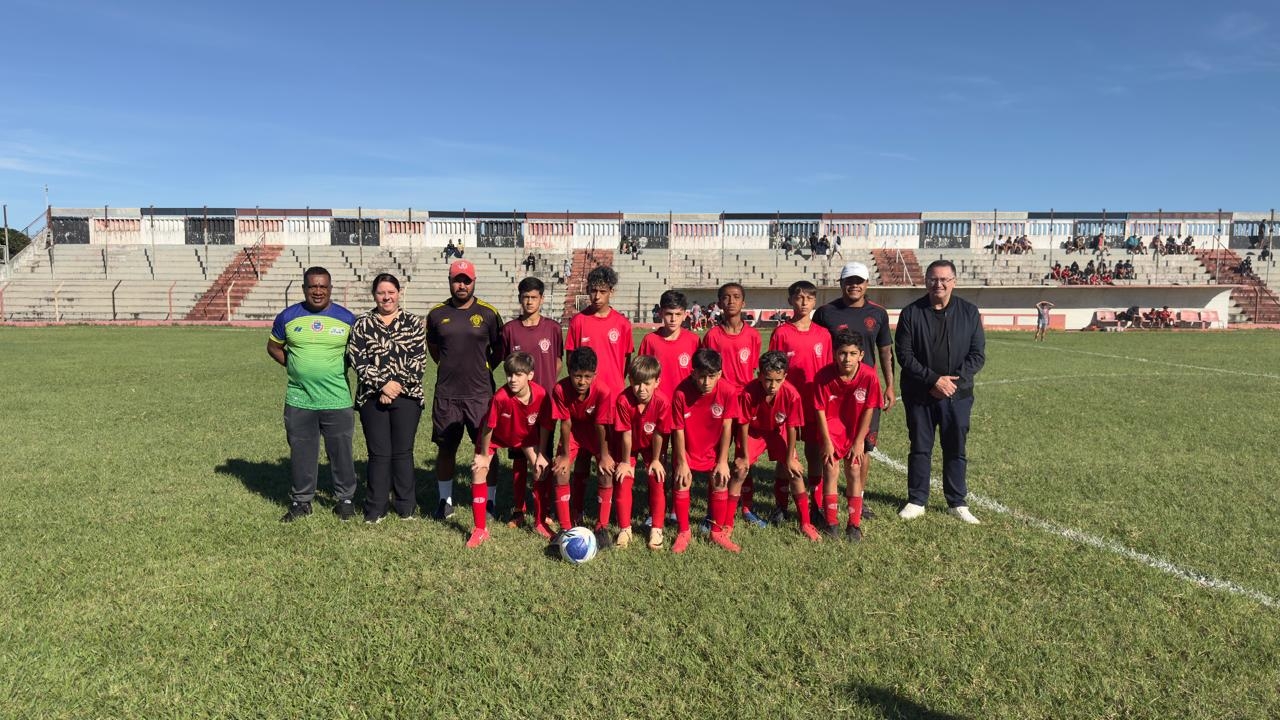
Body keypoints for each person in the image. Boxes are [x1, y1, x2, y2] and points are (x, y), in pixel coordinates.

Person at [895, 260, 986, 524]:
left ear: (954, 282)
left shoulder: (969, 312)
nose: (939, 284)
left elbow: (977, 355)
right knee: (920, 447)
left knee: (955, 447)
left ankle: (957, 502)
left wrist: (950, 384)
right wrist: (933, 381)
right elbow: (905, 355)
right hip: (919, 394)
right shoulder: (911, 313)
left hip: (957, 395)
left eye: (945, 279)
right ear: (926, 281)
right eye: (934, 279)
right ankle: (917, 500)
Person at [268, 266, 359, 522]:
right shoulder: (287, 317)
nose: (317, 291)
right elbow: (273, 347)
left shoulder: (347, 319)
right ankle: (301, 501)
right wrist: (294, 366)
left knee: (341, 452)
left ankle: (345, 500)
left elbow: (357, 354)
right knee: (302, 452)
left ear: (330, 289)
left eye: (322, 286)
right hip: (300, 399)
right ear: (304, 288)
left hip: (337, 399)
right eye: (312, 286)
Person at [812, 261, 895, 524]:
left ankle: (858, 497)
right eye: (849, 281)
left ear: (867, 284)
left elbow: (885, 351)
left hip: (865, 392)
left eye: (859, 281)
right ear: (841, 284)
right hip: (833, 391)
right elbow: (816, 347)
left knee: (863, 448)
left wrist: (890, 385)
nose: (854, 285)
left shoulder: (878, 313)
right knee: (829, 448)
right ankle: (826, 499)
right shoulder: (826, 312)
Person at [425, 259, 504, 521]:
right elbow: (435, 349)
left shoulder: (489, 313)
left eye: (466, 281)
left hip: (480, 395)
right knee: (446, 448)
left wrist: (482, 368)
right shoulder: (436, 314)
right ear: (449, 281)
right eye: (457, 280)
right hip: (447, 395)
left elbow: (499, 349)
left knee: (486, 450)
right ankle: (444, 501)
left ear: (474, 282)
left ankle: (489, 501)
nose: (462, 285)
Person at [347, 273, 426, 523]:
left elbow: (418, 361)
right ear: (374, 295)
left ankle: (405, 506)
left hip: (407, 395)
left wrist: (395, 386)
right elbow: (357, 359)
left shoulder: (413, 323)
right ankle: (375, 508)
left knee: (403, 452)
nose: (386, 297)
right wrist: (382, 385)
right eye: (381, 293)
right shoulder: (362, 324)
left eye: (391, 292)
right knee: (379, 453)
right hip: (372, 397)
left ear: (399, 293)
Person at [467, 352, 552, 547]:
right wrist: (484, 455)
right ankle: (480, 529)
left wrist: (541, 454)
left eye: (518, 375)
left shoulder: (541, 394)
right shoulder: (500, 397)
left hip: (525, 436)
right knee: (479, 470)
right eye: (509, 374)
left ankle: (540, 522)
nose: (512, 379)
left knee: (541, 469)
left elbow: (546, 425)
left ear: (530, 375)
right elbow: (488, 427)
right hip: (494, 438)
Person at [766, 280, 831, 526]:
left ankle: (816, 506)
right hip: (787, 405)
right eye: (799, 297)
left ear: (815, 302)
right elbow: (772, 369)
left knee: (814, 454)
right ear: (790, 300)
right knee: (786, 455)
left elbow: (827, 371)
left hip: (814, 404)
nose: (804, 302)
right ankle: (781, 506)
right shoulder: (781, 333)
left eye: (809, 298)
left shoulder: (823, 334)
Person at [700, 282, 764, 525]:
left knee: (743, 457)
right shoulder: (712, 336)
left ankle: (746, 507)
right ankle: (712, 509)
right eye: (726, 297)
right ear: (719, 303)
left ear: (743, 302)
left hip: (745, 404)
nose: (731, 301)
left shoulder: (753, 336)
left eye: (736, 297)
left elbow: (753, 369)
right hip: (720, 404)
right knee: (717, 457)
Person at [735, 351, 816, 541]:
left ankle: (805, 523)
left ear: (785, 376)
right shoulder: (748, 392)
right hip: (754, 432)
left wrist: (790, 457)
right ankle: (744, 510)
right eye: (768, 380)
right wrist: (744, 455)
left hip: (778, 431)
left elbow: (792, 427)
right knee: (741, 469)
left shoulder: (792, 394)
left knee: (794, 472)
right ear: (759, 375)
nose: (772, 385)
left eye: (778, 380)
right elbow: (744, 424)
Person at [811, 331, 882, 541]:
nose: (847, 358)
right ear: (835, 354)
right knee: (830, 470)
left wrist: (859, 441)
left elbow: (869, 408)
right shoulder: (823, 376)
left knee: (854, 470)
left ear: (861, 355)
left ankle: (854, 524)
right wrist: (826, 441)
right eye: (842, 353)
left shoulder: (869, 376)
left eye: (852, 353)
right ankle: (831, 523)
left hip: (855, 430)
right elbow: (819, 410)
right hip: (830, 430)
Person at [671, 348, 742, 553]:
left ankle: (716, 532)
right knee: (682, 480)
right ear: (693, 373)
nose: (706, 382)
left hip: (714, 449)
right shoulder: (680, 393)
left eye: (711, 376)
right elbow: (678, 430)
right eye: (701, 376)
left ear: (720, 374)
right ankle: (684, 532)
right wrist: (682, 462)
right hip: (688, 449)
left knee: (720, 480)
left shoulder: (728, 391)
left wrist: (723, 461)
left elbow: (727, 427)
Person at [550, 348, 617, 543]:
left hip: (596, 432)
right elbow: (565, 422)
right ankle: (566, 527)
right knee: (561, 470)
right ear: (569, 372)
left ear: (595, 374)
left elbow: (601, 424)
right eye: (577, 376)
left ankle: (602, 526)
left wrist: (604, 455)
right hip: (573, 431)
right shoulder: (560, 389)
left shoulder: (603, 391)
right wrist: (564, 455)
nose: (582, 382)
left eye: (587, 377)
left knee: (606, 471)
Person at [613, 355, 671, 550]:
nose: (641, 389)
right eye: (637, 383)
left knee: (657, 476)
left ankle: (657, 529)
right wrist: (625, 462)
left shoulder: (662, 402)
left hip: (652, 446)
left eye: (647, 383)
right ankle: (625, 529)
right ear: (630, 381)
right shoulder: (623, 400)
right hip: (629, 445)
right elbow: (626, 433)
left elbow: (659, 434)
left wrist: (656, 460)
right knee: (623, 478)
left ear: (657, 382)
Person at [566, 266, 633, 394]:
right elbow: (570, 360)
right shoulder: (577, 321)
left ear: (611, 292)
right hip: (586, 393)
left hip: (614, 392)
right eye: (593, 291)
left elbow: (626, 361)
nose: (597, 296)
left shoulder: (623, 324)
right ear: (587, 290)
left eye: (603, 291)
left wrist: (616, 382)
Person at [502, 277, 563, 396]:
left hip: (546, 396)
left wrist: (548, 381)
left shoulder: (553, 328)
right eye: (526, 297)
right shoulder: (509, 329)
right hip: (519, 397)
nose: (530, 302)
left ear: (542, 299)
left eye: (534, 297)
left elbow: (558, 361)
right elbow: (507, 364)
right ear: (519, 298)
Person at [639, 290, 699, 401]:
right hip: (657, 403)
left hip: (686, 402)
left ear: (685, 315)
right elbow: (641, 375)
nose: (673, 319)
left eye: (678, 314)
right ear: (661, 313)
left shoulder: (693, 340)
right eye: (669, 314)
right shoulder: (650, 340)